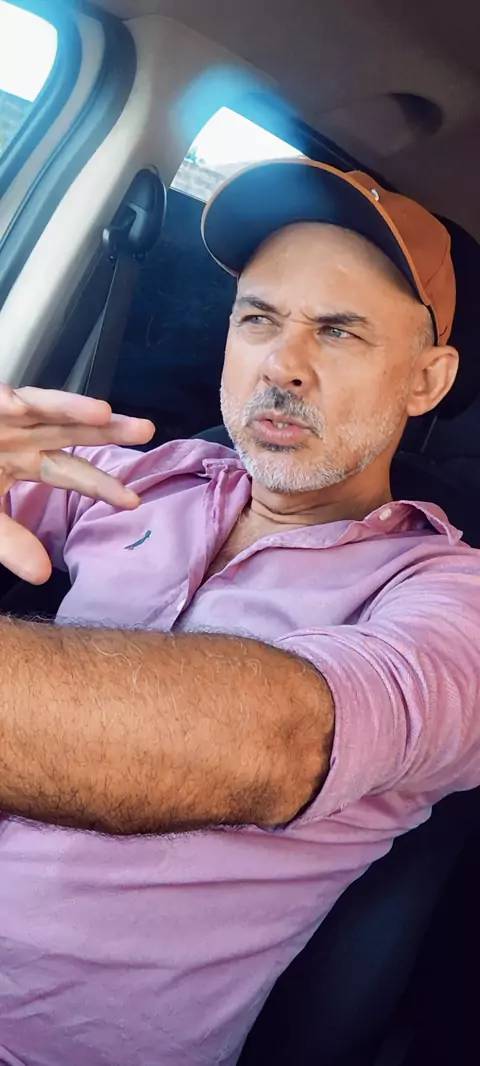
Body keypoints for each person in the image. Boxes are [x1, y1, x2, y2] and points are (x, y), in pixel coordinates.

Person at [0, 159, 479, 1066]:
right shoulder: (153, 476)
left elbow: (284, 741)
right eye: (258, 319)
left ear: (426, 379)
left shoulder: (445, 595)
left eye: (338, 330)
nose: (281, 365)